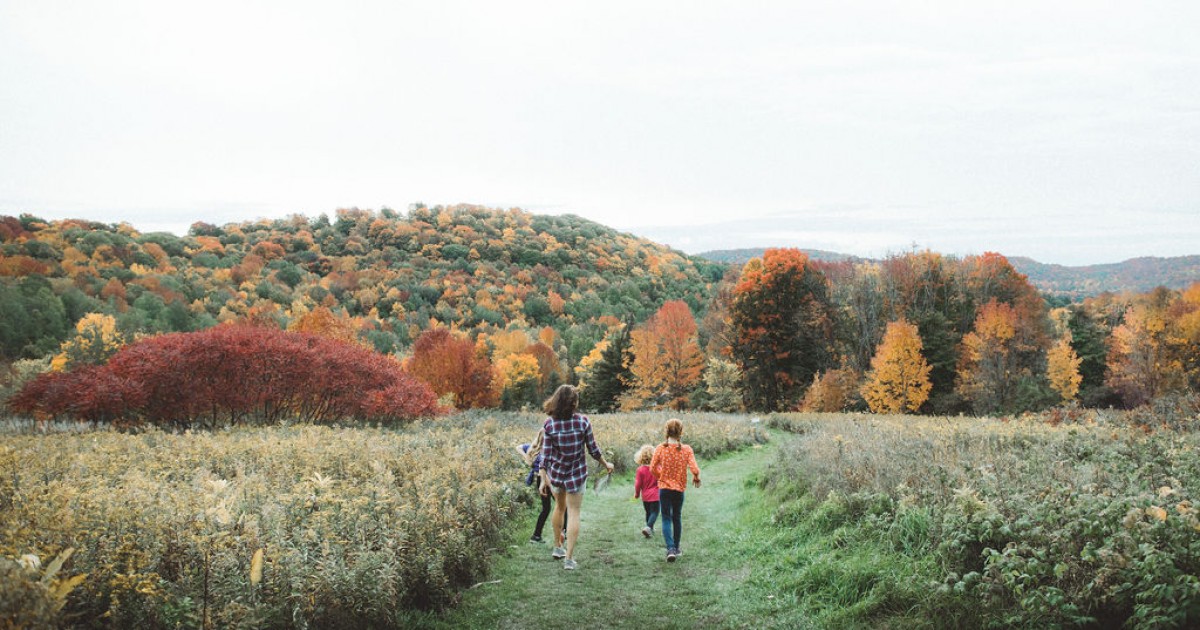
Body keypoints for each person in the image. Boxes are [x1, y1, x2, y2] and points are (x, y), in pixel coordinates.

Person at [538, 384, 613, 570]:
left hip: (556, 474)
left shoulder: (549, 424)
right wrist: (606, 464)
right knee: (574, 513)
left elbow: (544, 456)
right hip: (576, 474)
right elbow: (593, 449)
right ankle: (569, 559)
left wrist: (542, 479)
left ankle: (557, 547)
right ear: (573, 403)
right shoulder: (583, 422)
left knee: (559, 508)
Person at [649, 418, 700, 562]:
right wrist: (696, 477)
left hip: (664, 488)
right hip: (679, 488)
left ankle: (670, 548)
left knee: (666, 517)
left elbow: (652, 468)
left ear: (666, 431)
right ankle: (676, 548)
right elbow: (694, 468)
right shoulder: (686, 449)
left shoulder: (660, 448)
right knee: (676, 517)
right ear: (681, 432)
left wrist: (662, 476)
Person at [517, 430, 565, 543]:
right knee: (562, 507)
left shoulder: (534, 449)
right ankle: (564, 532)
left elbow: (518, 447)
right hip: (546, 480)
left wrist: (527, 457)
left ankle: (536, 536)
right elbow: (545, 472)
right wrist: (551, 487)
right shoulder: (546, 451)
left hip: (541, 480)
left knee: (546, 508)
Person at [633, 444, 660, 538]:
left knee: (648, 512)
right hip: (656, 495)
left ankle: (649, 529)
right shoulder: (657, 468)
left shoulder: (640, 470)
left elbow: (638, 484)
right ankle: (648, 527)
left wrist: (636, 494)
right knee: (655, 512)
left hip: (645, 496)